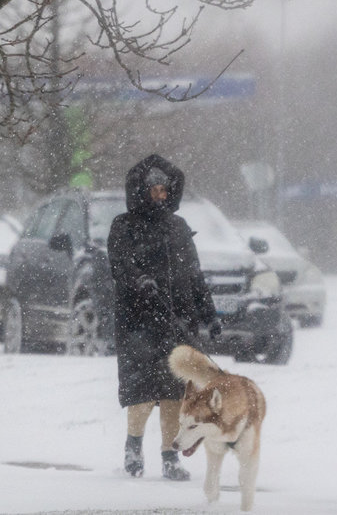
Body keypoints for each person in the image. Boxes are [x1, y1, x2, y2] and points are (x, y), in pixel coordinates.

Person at [107, 154, 219, 480]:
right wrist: (139, 280)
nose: (161, 196)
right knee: (142, 391)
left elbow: (195, 276)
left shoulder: (178, 228)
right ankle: (133, 445)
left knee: (174, 393)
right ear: (141, 191)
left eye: (164, 190)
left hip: (177, 322)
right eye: (154, 190)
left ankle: (170, 456)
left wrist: (208, 314)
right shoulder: (123, 226)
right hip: (137, 321)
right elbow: (120, 264)